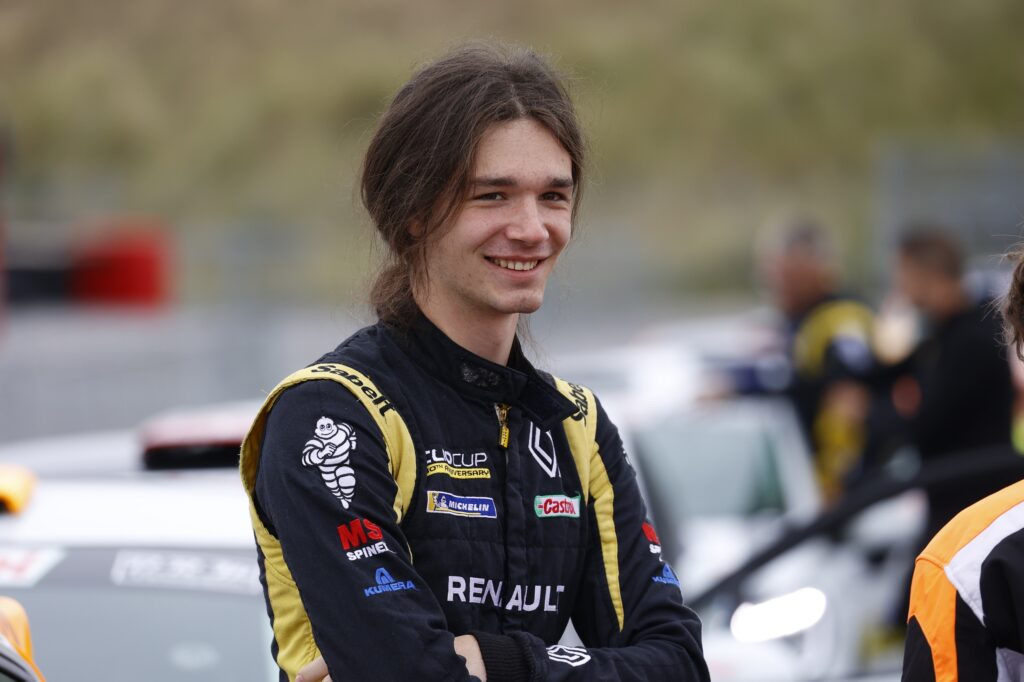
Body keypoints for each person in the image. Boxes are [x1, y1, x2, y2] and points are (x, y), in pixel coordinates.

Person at [238, 44, 709, 682]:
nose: (532, 228)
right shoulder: (332, 415)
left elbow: (679, 663)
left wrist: (503, 660)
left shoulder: (576, 426)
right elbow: (408, 673)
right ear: (412, 212)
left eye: (553, 196)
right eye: (492, 196)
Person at [883, 227, 1015, 536]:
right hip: (957, 502)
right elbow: (887, 372)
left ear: (927, 275)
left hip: (972, 508)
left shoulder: (972, 338)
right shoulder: (944, 332)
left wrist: (875, 413)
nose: (899, 286)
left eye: (903, 274)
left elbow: (928, 422)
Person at [731, 219, 876, 501]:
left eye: (785, 275)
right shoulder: (800, 321)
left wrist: (839, 481)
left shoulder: (841, 318)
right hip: (811, 483)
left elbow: (848, 400)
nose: (775, 284)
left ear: (816, 269)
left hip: (843, 492)